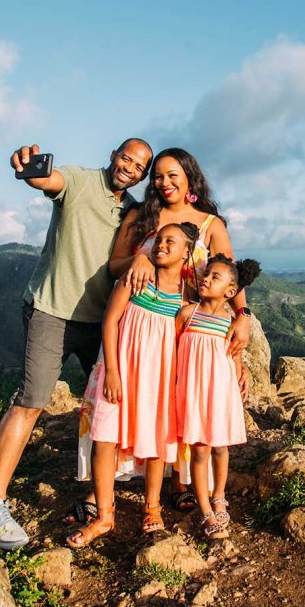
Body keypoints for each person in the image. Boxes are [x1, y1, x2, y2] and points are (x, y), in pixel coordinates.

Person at [0, 138, 152, 550]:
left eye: (139, 166)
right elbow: (47, 180)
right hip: (51, 311)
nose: (130, 168)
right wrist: (30, 170)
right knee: (32, 400)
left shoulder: (134, 213)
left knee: (112, 404)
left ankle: (98, 493)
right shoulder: (79, 181)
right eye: (127, 158)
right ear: (113, 155)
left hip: (102, 320)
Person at [109, 147, 252, 508]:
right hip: (141, 323)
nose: (164, 182)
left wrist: (243, 316)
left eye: (173, 174)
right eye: (158, 176)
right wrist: (140, 256)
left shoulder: (210, 224)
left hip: (190, 329)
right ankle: (116, 484)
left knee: (177, 401)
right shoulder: (141, 216)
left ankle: (178, 481)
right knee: (144, 401)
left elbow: (229, 273)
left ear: (190, 176)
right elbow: (113, 266)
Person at [67, 222, 198, 547]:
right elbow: (110, 320)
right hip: (121, 373)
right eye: (158, 239)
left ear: (187, 252)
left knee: (156, 442)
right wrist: (111, 371)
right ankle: (105, 515)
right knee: (105, 438)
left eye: (172, 241)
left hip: (160, 379)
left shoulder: (185, 294)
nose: (162, 244)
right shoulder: (136, 278)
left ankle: (152, 507)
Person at [175, 254, 261, 539]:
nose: (206, 279)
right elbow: (173, 351)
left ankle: (219, 495)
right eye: (207, 274)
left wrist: (240, 376)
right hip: (193, 393)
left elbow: (234, 357)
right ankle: (205, 510)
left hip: (220, 393)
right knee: (199, 451)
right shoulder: (188, 314)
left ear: (230, 292)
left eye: (215, 277)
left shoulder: (231, 321)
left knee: (221, 448)